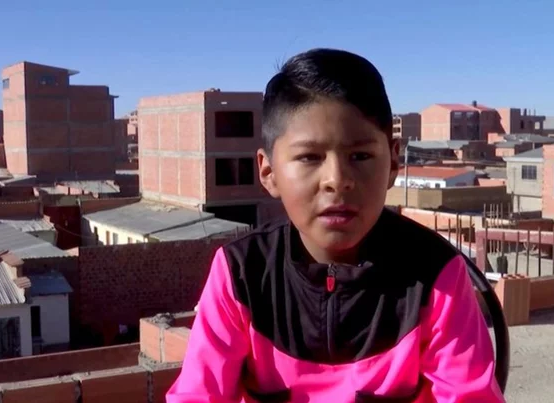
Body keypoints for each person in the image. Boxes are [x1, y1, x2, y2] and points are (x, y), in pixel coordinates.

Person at [167, 48, 505, 403]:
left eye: (359, 156)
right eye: (310, 157)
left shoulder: (435, 275)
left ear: (392, 162)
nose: (337, 180)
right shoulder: (241, 273)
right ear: (269, 172)